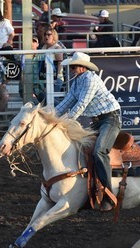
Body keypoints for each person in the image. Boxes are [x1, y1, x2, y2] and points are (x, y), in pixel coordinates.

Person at [54, 52, 121, 211]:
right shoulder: (77, 82)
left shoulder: (91, 79)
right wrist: (51, 118)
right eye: (71, 66)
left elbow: (82, 104)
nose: (71, 69)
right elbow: (66, 102)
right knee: (80, 149)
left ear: (83, 67)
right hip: (98, 121)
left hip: (110, 119)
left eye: (74, 66)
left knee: (99, 152)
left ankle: (108, 194)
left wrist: (65, 121)